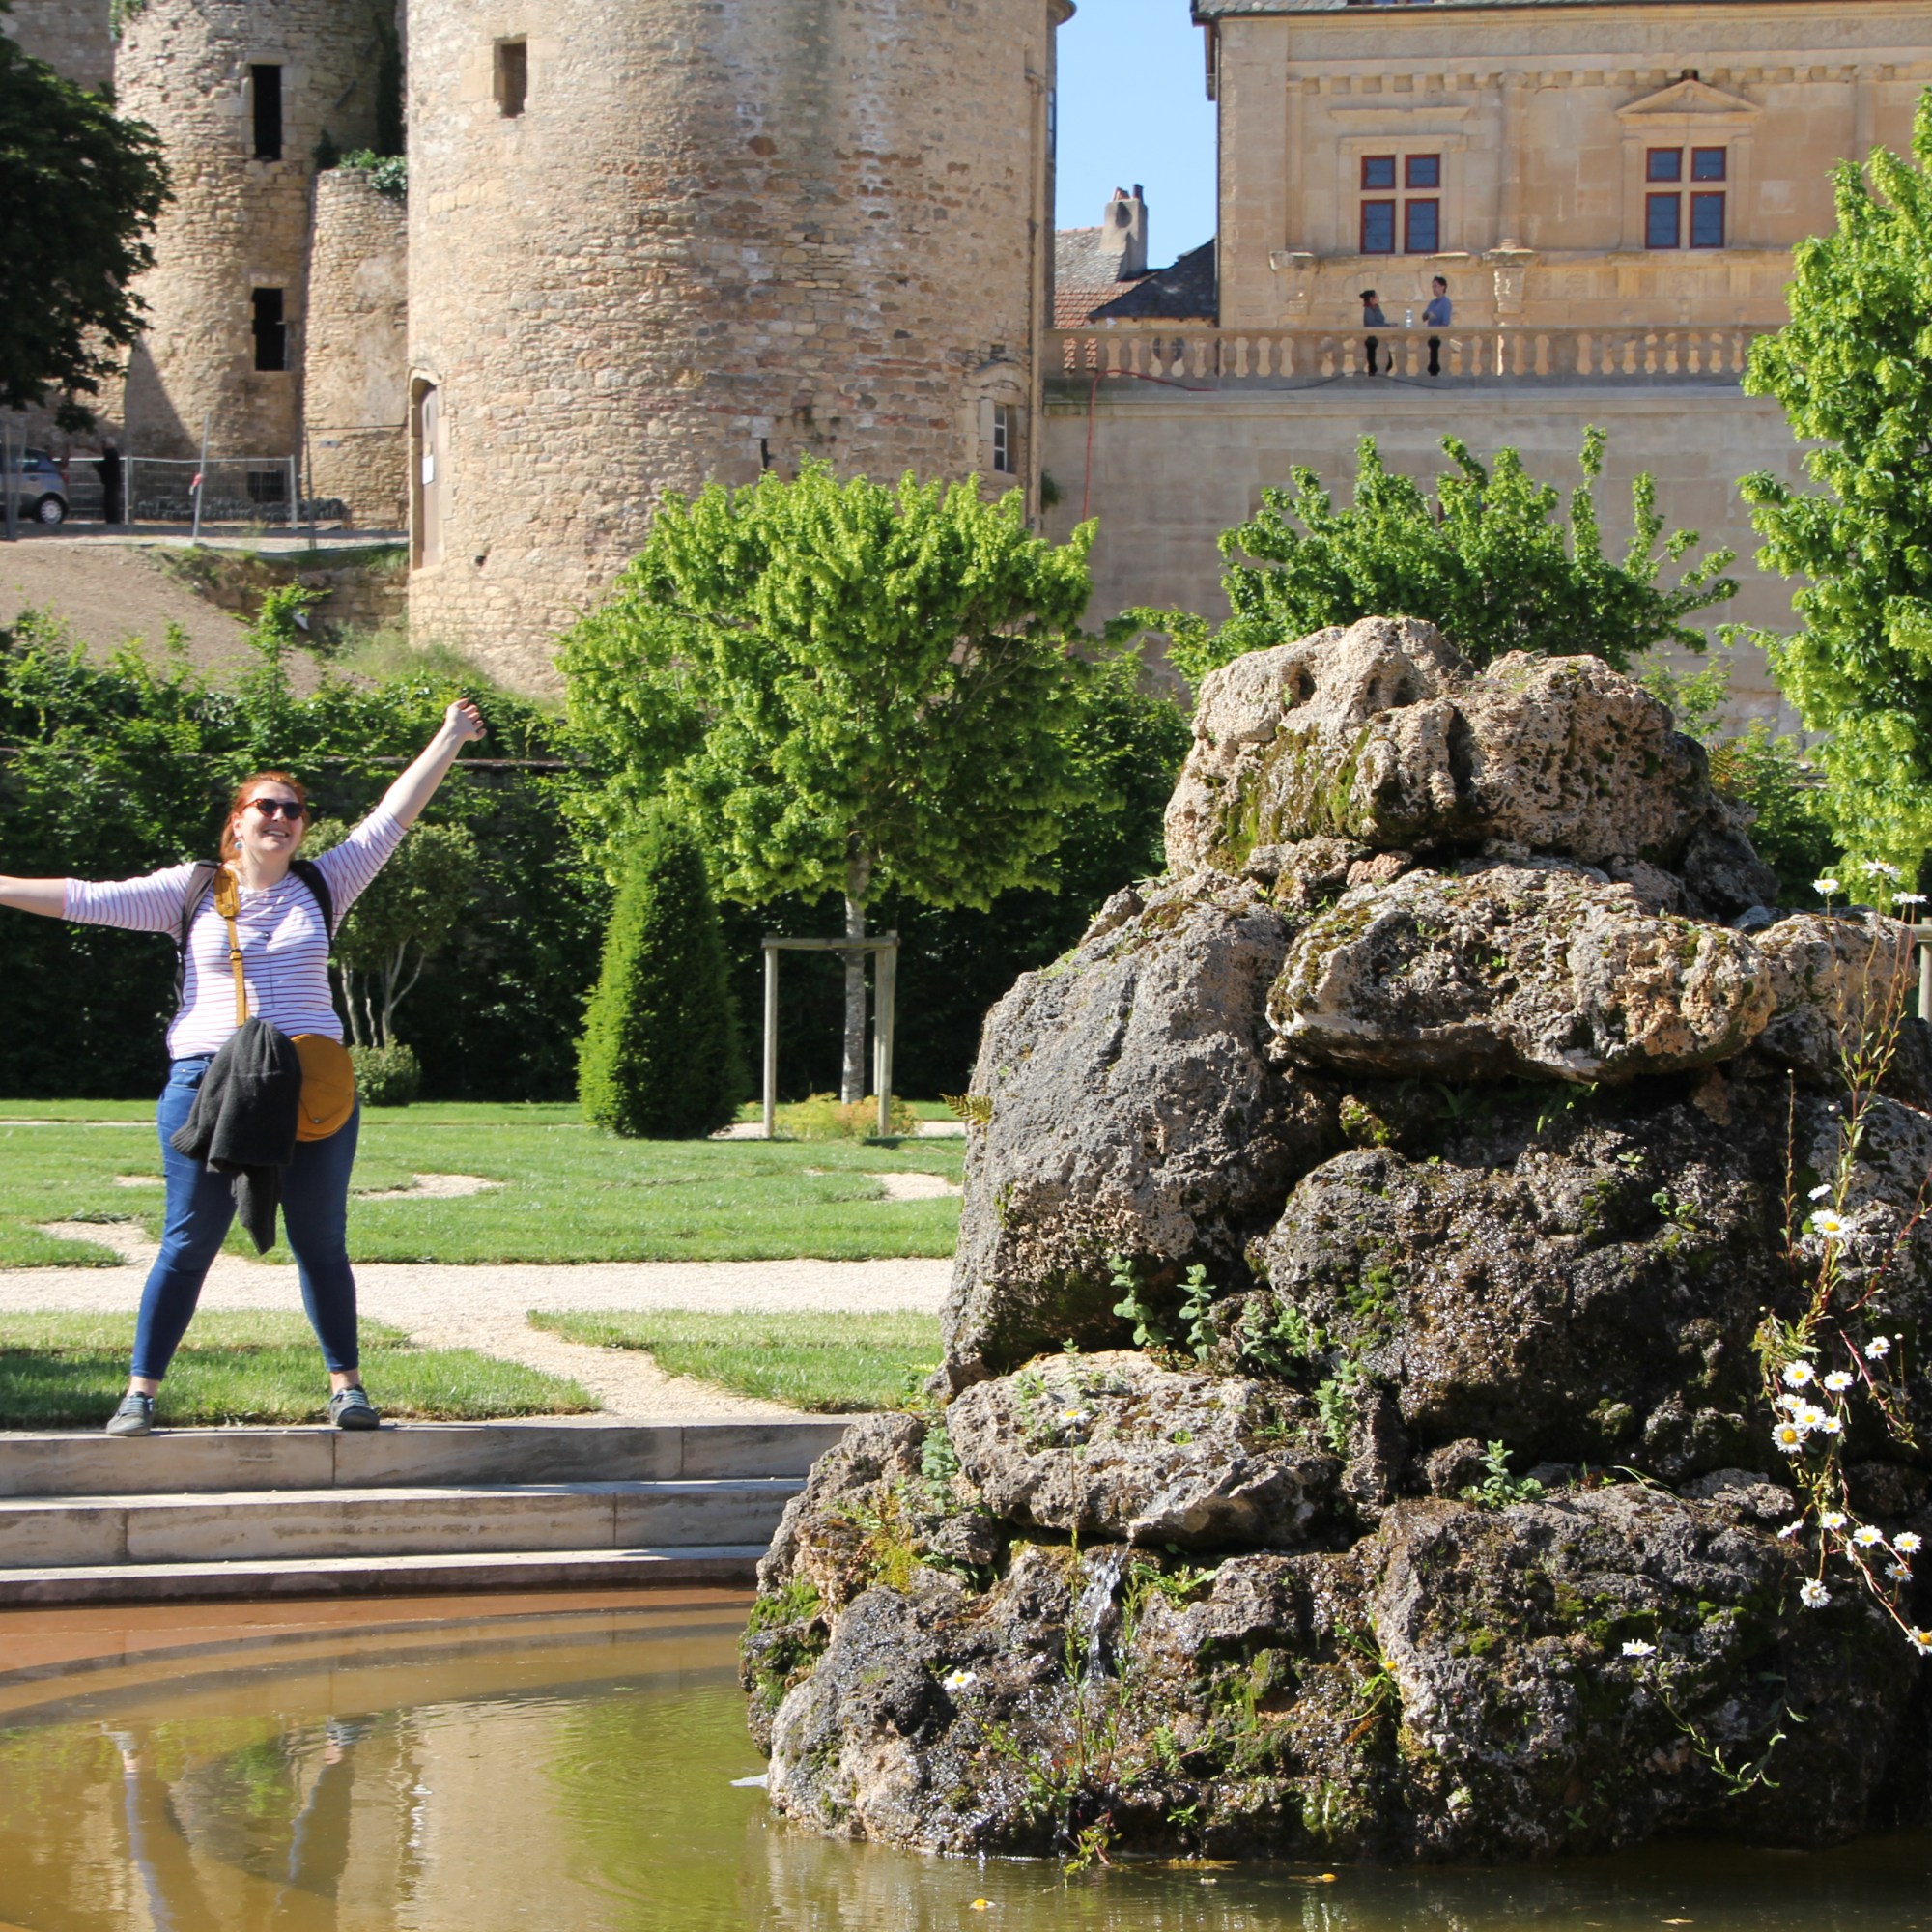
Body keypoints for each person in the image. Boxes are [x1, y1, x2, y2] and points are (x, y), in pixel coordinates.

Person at [0, 700, 486, 1435]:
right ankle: (140, 1392)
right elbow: (84, 899)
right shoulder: (191, 890)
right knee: (189, 1240)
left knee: (320, 1242)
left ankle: (348, 1389)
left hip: (310, 1087)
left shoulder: (326, 884)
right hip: (209, 1083)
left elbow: (392, 818)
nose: (281, 817)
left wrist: (448, 737)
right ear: (238, 822)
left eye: (294, 810)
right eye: (267, 806)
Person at [1423, 274, 1453, 377]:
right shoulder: (1432, 303)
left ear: (1443, 287)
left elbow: (1445, 322)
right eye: (1433, 286)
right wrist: (1427, 315)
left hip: (1439, 338)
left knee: (1436, 364)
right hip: (1431, 336)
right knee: (1431, 363)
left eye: (1435, 286)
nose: (1434, 289)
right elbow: (1424, 316)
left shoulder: (1446, 303)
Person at [1359, 289, 1388, 375]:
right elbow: (1372, 324)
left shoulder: (1377, 308)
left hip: (1380, 340)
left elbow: (1380, 321)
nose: (1378, 298)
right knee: (1373, 367)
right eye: (1376, 297)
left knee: (1387, 363)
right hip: (1372, 342)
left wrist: (1388, 325)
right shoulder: (1368, 310)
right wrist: (1387, 326)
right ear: (1371, 299)